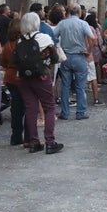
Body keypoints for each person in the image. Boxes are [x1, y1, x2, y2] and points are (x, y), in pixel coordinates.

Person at [16, 11, 63, 154]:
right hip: (41, 76)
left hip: (24, 78)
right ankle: (50, 141)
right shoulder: (44, 38)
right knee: (49, 107)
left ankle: (33, 141)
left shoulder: (20, 41)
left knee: (31, 109)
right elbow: (55, 57)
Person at [53, 4, 95, 121]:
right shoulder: (83, 24)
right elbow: (93, 39)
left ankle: (65, 112)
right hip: (79, 55)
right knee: (80, 87)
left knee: (65, 86)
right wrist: (88, 51)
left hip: (66, 56)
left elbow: (53, 36)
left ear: (68, 12)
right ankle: (80, 112)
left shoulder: (62, 23)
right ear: (79, 12)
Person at [0, 17, 27, 146]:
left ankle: (16, 136)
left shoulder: (7, 45)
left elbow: (3, 63)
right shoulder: (24, 44)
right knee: (26, 106)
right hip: (22, 77)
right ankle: (27, 135)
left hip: (10, 77)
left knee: (16, 106)